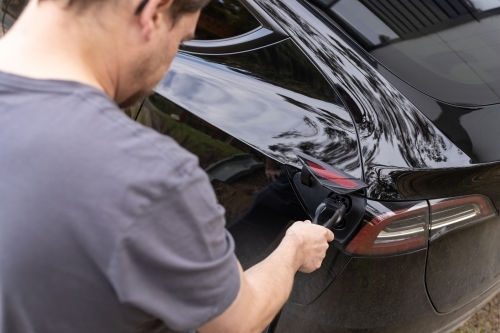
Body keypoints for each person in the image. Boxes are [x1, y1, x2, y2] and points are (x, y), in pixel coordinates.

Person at [0, 0, 334, 332]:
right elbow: (236, 322)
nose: (174, 57)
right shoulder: (149, 176)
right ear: (154, 12)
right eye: (181, 41)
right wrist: (295, 248)